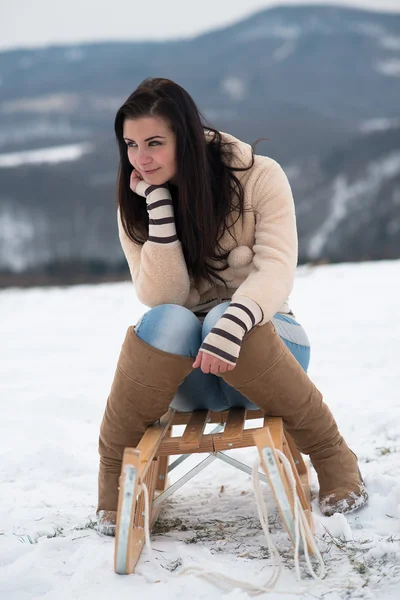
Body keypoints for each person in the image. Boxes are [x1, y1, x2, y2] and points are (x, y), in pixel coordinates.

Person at [96, 77, 367, 535]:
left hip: (269, 348)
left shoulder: (259, 176)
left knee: (223, 316)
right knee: (164, 320)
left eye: (155, 143)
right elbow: (163, 297)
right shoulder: (136, 202)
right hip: (192, 372)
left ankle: (331, 455)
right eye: (131, 144)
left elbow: (277, 269)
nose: (140, 158)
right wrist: (160, 211)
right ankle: (113, 473)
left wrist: (235, 321)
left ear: (187, 136)